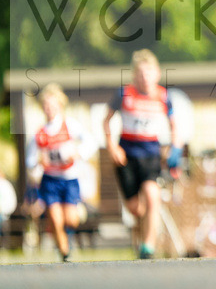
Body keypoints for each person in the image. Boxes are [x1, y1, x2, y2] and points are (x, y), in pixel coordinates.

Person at [103, 50, 182, 258]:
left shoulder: (164, 96)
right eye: (140, 73)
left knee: (152, 194)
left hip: (150, 154)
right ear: (134, 75)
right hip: (127, 155)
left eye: (148, 73)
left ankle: (149, 245)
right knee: (135, 208)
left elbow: (175, 126)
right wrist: (112, 146)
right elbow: (106, 121)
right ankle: (140, 236)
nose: (144, 77)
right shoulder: (123, 94)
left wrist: (175, 149)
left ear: (157, 74)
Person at [25, 83, 95, 262]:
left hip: (70, 179)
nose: (49, 109)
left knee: (70, 220)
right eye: (46, 106)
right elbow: (30, 160)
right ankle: (65, 252)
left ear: (60, 105)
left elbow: (90, 142)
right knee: (56, 219)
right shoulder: (40, 134)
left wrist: (78, 153)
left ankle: (70, 227)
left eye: (53, 105)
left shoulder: (70, 125)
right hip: (50, 181)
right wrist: (38, 161)